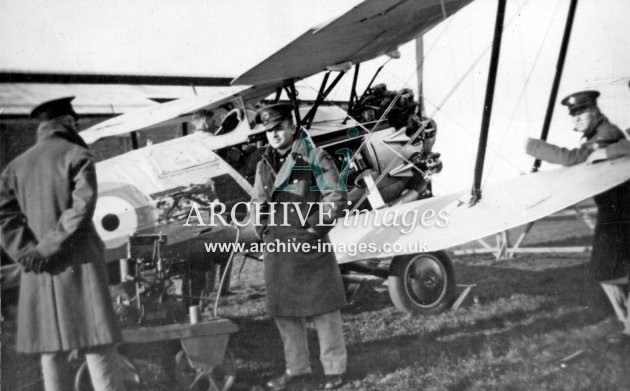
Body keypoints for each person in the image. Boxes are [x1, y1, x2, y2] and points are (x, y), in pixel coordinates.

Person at [0, 97, 126, 390]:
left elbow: (3, 215)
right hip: (78, 264)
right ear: (67, 122)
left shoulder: (15, 167)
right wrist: (48, 247)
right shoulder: (78, 154)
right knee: (97, 344)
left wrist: (28, 252)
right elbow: (81, 208)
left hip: (37, 269)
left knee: (51, 349)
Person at [251, 103, 348, 390]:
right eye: (269, 130)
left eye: (279, 127)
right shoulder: (264, 163)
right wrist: (263, 228)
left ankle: (334, 370)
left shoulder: (314, 156)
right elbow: (258, 201)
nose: (274, 134)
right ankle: (297, 369)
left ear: (292, 126)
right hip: (278, 248)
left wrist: (314, 228)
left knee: (324, 309)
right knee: (285, 312)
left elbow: (336, 196)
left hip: (309, 244)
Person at [525, 90, 630, 344]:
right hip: (611, 211)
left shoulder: (607, 134)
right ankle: (625, 323)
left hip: (624, 211)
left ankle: (628, 328)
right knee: (604, 270)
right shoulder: (596, 135)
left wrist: (532, 146)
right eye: (573, 117)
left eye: (580, 114)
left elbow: (573, 159)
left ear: (594, 111)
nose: (576, 121)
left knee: (619, 268)